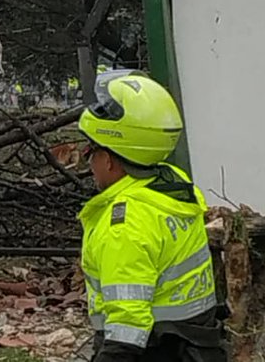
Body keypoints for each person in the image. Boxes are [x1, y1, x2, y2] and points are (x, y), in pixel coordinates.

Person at [77, 69, 226, 361]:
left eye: (90, 151)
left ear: (108, 160)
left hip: (157, 350)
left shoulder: (124, 225)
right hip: (198, 344)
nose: (88, 161)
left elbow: (127, 327)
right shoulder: (172, 186)